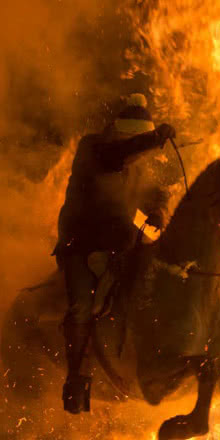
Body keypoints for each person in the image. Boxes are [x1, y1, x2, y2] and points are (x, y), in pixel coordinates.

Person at [54, 93, 176, 414]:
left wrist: (158, 212)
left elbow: (153, 195)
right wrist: (152, 139)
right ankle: (76, 380)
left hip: (121, 243)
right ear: (122, 136)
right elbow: (116, 156)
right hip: (81, 244)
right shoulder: (93, 148)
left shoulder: (135, 165)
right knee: (81, 305)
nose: (139, 154)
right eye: (135, 142)